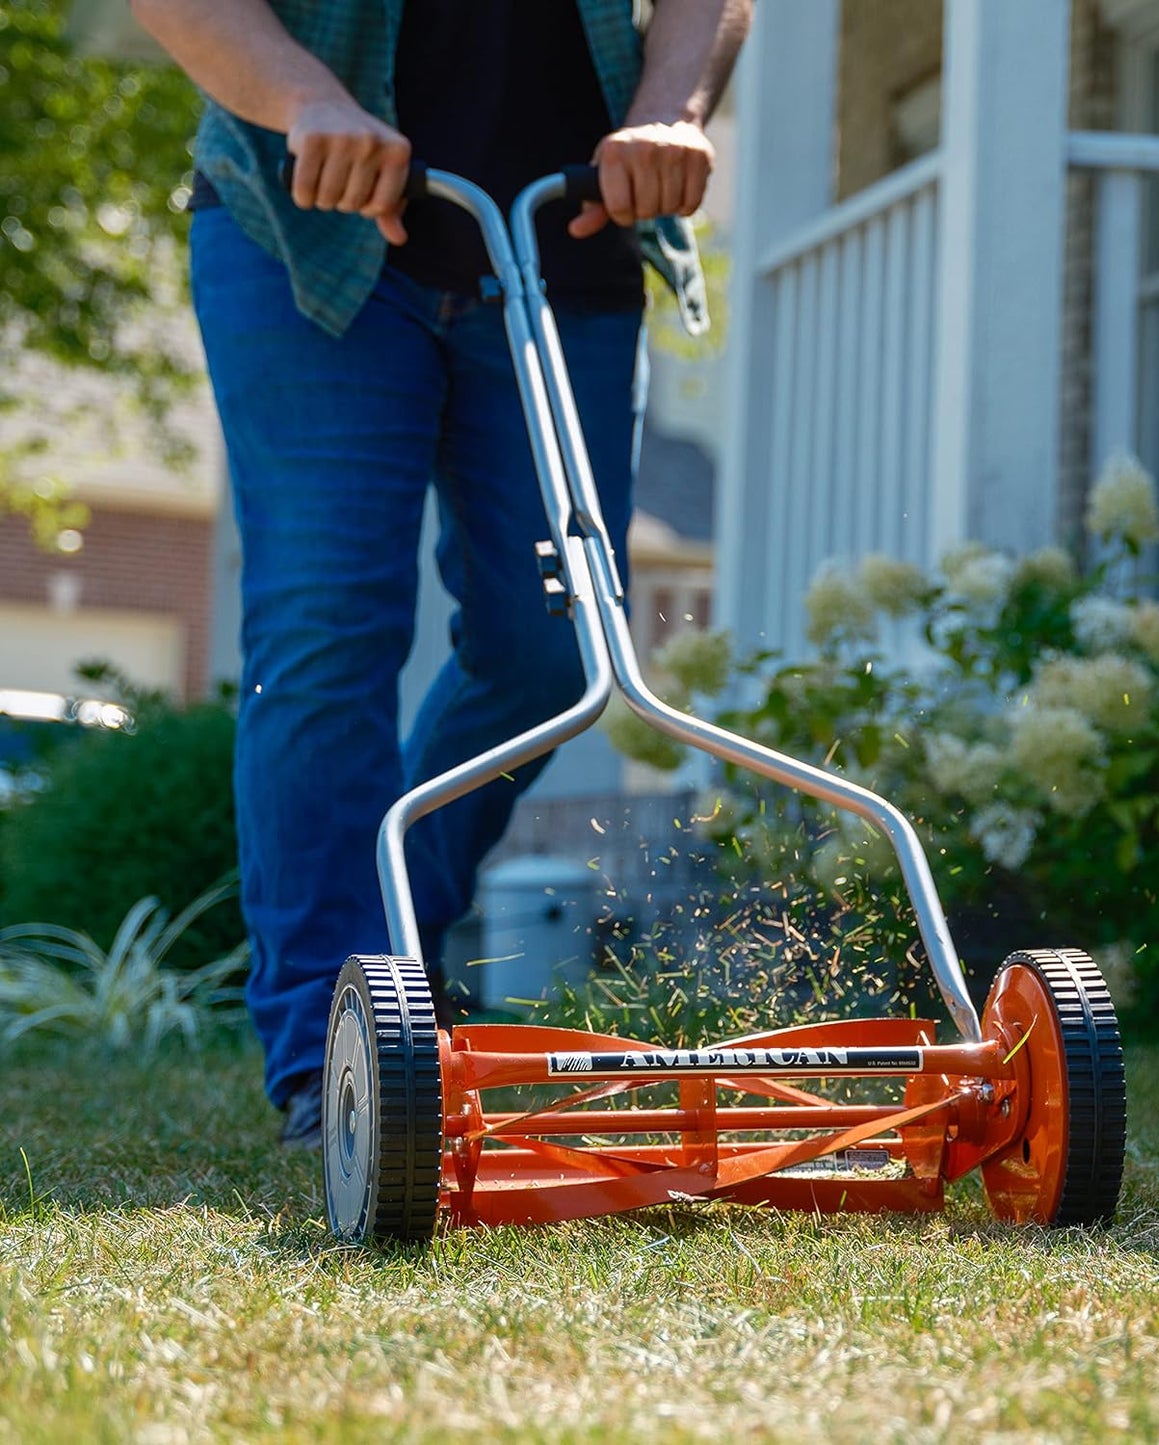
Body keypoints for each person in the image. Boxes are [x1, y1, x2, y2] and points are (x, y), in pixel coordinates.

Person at [130, 0, 753, 1148]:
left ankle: (387, 961)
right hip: (307, 233)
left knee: (555, 644)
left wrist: (669, 108)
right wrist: (307, 98)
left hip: (563, 230)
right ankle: (332, 1043)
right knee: (326, 635)